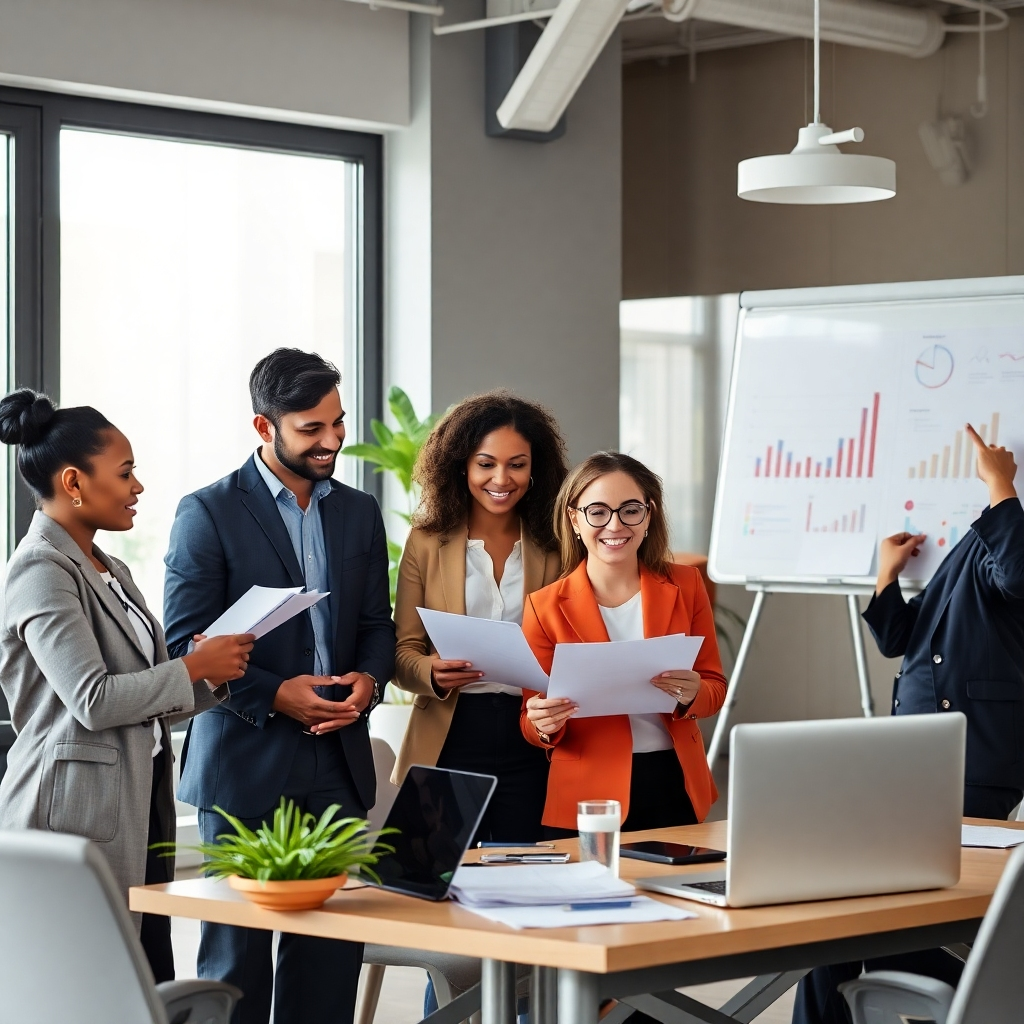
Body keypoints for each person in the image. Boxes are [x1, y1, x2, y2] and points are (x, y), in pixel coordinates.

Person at [163, 349, 395, 1024]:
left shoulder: (357, 511)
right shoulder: (206, 512)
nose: (331, 441)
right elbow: (187, 645)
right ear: (264, 427)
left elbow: (376, 625)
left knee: (328, 966)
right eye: (310, 428)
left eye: (338, 423)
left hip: (337, 758)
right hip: (244, 762)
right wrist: (277, 694)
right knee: (235, 968)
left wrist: (368, 681)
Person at [0, 389, 253, 983]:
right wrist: (193, 667)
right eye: (125, 472)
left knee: (147, 973)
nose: (138, 486)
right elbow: (93, 700)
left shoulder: (112, 569)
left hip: (138, 805)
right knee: (86, 982)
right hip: (69, 814)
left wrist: (215, 674)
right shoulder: (40, 568)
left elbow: (145, 694)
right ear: (73, 481)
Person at [792, 423, 1024, 1024]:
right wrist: (885, 577)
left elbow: (1019, 577)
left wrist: (1001, 486)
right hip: (917, 756)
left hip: (975, 755)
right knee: (865, 921)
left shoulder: (1006, 532)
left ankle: (989, 993)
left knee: (868, 921)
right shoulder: (974, 542)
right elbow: (901, 638)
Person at [392, 391, 569, 843]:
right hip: (451, 733)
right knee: (431, 885)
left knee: (527, 879)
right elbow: (402, 651)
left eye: (517, 464)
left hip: (534, 733)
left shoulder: (559, 542)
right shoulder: (428, 541)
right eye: (486, 463)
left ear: (537, 468)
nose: (501, 478)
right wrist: (430, 671)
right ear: (461, 465)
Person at [521, 451, 727, 835]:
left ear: (648, 515)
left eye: (630, 510)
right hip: (588, 793)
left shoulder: (686, 586)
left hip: (674, 781)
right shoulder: (544, 606)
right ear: (575, 519)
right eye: (597, 512)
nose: (614, 525)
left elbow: (714, 688)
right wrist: (543, 723)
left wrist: (693, 691)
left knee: (674, 895)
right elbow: (531, 722)